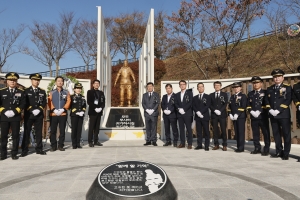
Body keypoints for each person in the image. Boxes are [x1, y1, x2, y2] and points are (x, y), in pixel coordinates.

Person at [265, 69, 292, 160]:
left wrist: (279, 110)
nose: (276, 79)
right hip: (273, 114)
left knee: (286, 134)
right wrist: (270, 109)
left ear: (283, 78)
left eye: (278, 77)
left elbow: (288, 100)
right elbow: (266, 100)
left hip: (283, 114)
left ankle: (286, 152)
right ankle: (278, 151)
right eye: (275, 77)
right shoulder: (270, 88)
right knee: (276, 134)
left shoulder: (287, 87)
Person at [0, 72, 25, 160]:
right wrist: (4, 111)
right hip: (4, 117)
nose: (12, 82)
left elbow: (23, 103)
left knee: (15, 135)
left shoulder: (21, 92)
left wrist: (15, 111)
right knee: (3, 136)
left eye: (14, 80)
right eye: (10, 80)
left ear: (17, 81)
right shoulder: (1, 91)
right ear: (7, 81)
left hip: (15, 117)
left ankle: (14, 153)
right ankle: (3, 154)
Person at [21, 73, 47, 157]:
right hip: (29, 114)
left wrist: (39, 109)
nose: (36, 81)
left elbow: (44, 102)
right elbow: (24, 103)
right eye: (35, 80)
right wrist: (31, 109)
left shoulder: (42, 91)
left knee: (39, 132)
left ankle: (39, 149)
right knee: (27, 132)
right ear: (31, 80)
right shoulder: (26, 91)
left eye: (38, 80)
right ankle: (24, 150)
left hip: (39, 115)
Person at [246, 76, 270, 156]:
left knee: (265, 133)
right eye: (254, 83)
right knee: (255, 133)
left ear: (261, 83)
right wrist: (251, 111)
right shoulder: (250, 93)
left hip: (263, 116)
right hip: (254, 116)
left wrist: (260, 111)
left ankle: (266, 149)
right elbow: (248, 105)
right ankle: (257, 148)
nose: (255, 84)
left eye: (257, 83)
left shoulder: (265, 92)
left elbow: (267, 104)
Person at [48, 76, 71, 152]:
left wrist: (63, 109)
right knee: (53, 130)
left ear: (63, 83)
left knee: (62, 130)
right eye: (58, 81)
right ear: (55, 82)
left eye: (61, 81)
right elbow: (49, 101)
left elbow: (68, 101)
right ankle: (53, 146)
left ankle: (61, 145)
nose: (60, 82)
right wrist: (53, 109)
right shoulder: (52, 92)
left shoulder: (66, 92)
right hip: (53, 114)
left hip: (63, 114)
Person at [228, 82, 247, 153]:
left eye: (237, 87)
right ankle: (238, 146)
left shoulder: (243, 96)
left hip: (240, 117)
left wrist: (237, 114)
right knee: (237, 132)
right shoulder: (232, 97)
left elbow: (243, 106)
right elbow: (229, 107)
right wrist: (230, 114)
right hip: (234, 117)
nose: (236, 89)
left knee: (241, 132)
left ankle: (241, 147)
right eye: (234, 87)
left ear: (240, 88)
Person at [209, 81, 228, 151]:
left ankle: (224, 144)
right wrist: (214, 110)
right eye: (215, 85)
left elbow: (225, 103)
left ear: (221, 86)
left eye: (218, 85)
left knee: (223, 130)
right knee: (215, 130)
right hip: (214, 115)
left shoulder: (224, 94)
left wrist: (220, 110)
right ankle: (216, 144)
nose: (217, 86)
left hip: (222, 114)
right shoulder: (211, 95)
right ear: (214, 86)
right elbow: (209, 104)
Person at [175, 80, 193, 149]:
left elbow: (190, 102)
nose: (182, 85)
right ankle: (182, 143)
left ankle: (190, 143)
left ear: (186, 85)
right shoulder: (177, 94)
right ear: (179, 86)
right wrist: (179, 109)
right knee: (181, 129)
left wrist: (184, 109)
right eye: (181, 84)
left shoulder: (189, 93)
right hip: (180, 114)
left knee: (188, 129)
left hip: (187, 113)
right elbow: (175, 103)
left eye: (183, 84)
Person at [193, 82, 211, 151]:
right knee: (199, 132)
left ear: (204, 88)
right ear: (197, 88)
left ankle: (206, 145)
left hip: (204, 116)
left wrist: (201, 112)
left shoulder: (207, 96)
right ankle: (199, 145)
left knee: (206, 131)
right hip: (197, 117)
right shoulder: (195, 97)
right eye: (199, 87)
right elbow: (193, 106)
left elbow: (208, 105)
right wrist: (197, 112)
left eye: (201, 87)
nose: (200, 88)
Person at [87, 79, 105, 147]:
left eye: (98, 83)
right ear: (93, 84)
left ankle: (96, 140)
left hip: (99, 112)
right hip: (92, 112)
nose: (97, 84)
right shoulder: (90, 92)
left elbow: (103, 102)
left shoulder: (101, 93)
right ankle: (90, 141)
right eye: (95, 83)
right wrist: (95, 108)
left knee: (97, 127)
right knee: (91, 127)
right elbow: (89, 102)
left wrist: (101, 108)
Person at [142, 82, 160, 146]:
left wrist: (153, 110)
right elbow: (143, 103)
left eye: (150, 86)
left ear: (153, 87)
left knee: (154, 127)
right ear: (147, 88)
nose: (149, 87)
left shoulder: (156, 94)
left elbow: (157, 103)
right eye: (148, 86)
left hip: (154, 113)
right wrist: (146, 109)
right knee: (148, 127)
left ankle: (154, 140)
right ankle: (148, 140)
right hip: (147, 114)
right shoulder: (144, 95)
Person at [70, 83, 86, 149]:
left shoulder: (82, 97)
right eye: (77, 88)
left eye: (80, 88)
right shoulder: (71, 97)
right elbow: (70, 106)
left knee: (79, 130)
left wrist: (83, 111)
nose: (78, 90)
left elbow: (84, 106)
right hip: (74, 115)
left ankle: (78, 143)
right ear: (74, 89)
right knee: (74, 130)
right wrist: (76, 112)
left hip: (81, 115)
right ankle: (74, 144)